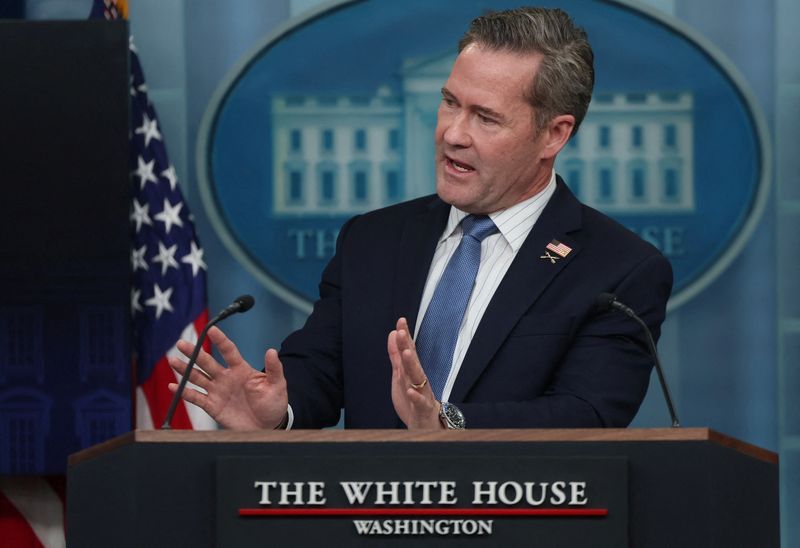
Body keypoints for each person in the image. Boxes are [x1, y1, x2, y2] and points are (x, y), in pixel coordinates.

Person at [169, 7, 672, 430]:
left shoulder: (618, 270)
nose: (453, 133)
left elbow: (586, 413)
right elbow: (319, 370)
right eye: (450, 103)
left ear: (553, 135)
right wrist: (279, 411)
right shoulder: (373, 240)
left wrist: (447, 422)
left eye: (486, 117)